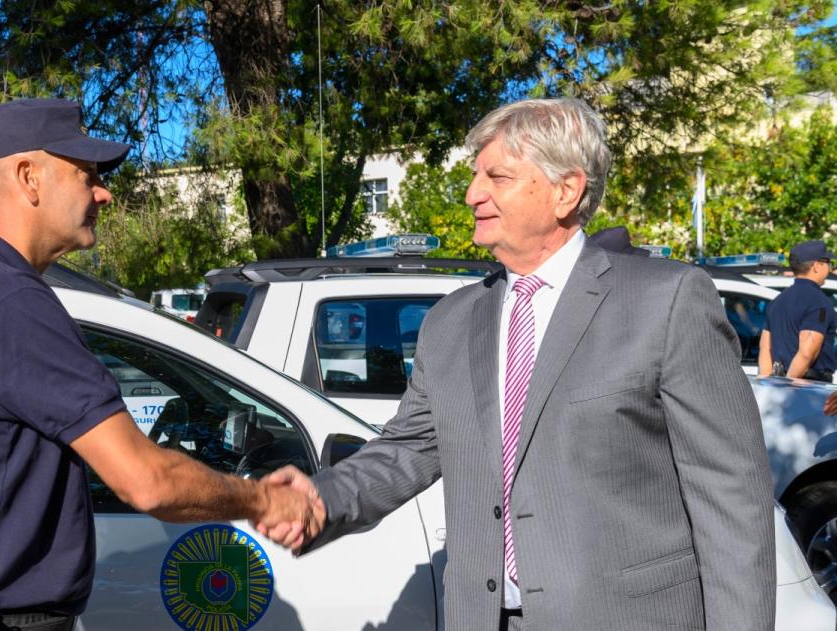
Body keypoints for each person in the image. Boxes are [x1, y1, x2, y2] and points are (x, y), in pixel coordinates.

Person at [260, 98, 775, 630]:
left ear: (566, 191)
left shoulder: (666, 302)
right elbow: (409, 448)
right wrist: (321, 498)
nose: (472, 194)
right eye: (476, 176)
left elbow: (731, 498)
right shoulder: (450, 321)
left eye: (497, 177)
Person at [0, 98, 319, 631]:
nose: (103, 192)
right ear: (29, 177)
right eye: (86, 174)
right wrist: (262, 498)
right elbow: (146, 481)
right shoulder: (8, 303)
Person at [758, 240, 837, 382]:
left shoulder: (778, 301)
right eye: (827, 262)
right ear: (816, 266)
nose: (829, 268)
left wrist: (768, 384)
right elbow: (807, 353)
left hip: (778, 384)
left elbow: (765, 348)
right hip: (807, 387)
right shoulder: (818, 302)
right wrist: (788, 387)